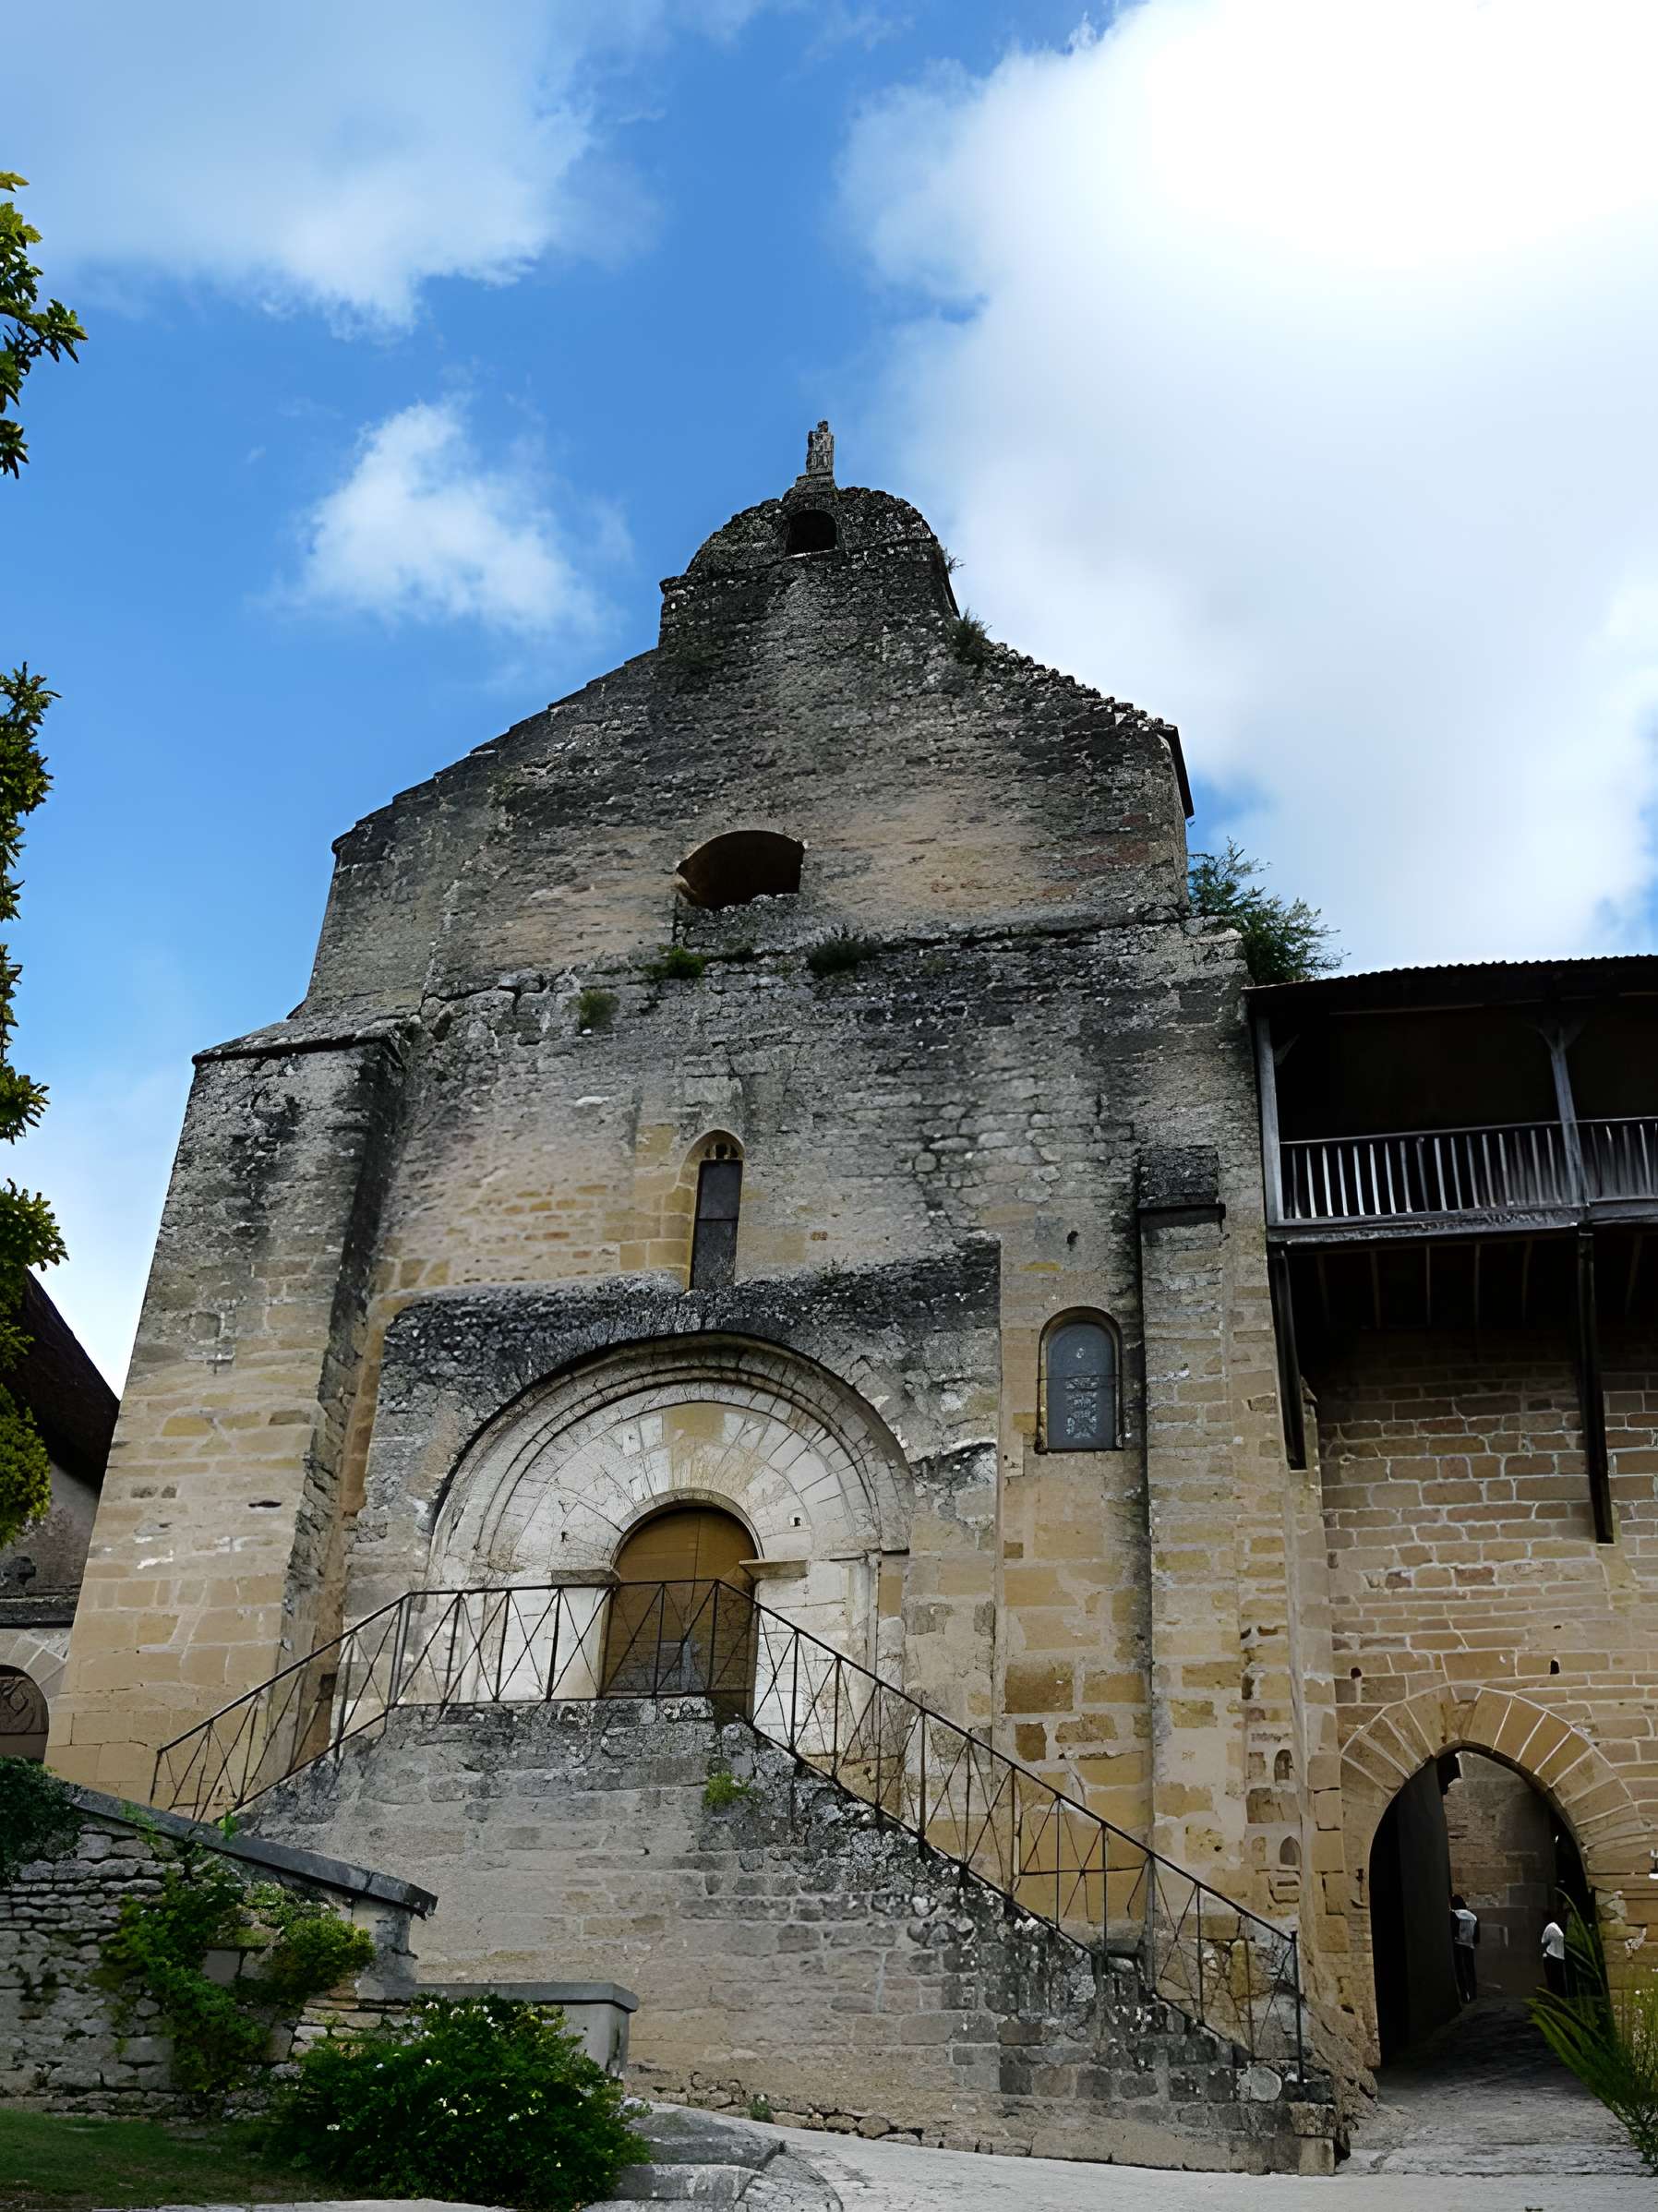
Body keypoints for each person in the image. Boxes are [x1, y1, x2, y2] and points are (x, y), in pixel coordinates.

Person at [1451, 1893, 1480, 2002]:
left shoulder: (1454, 1914)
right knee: (1470, 1970)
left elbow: (1453, 1930)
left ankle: (1464, 1996)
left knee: (1460, 1970)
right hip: (1470, 1945)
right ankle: (1473, 1995)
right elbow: (1477, 1937)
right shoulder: (1473, 1916)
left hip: (1458, 1945)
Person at [1541, 1915, 1568, 1999]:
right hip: (1557, 1957)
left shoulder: (1550, 1927)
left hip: (1552, 1956)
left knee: (1553, 1981)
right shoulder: (1557, 1928)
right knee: (1559, 1981)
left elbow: (1543, 1941)